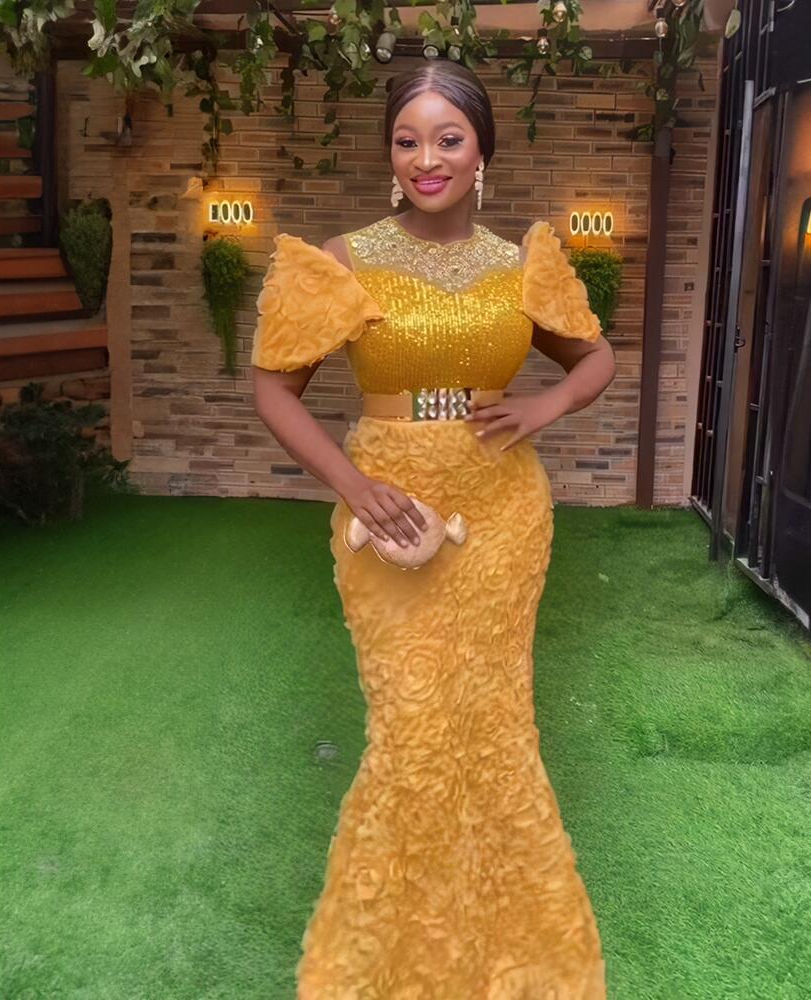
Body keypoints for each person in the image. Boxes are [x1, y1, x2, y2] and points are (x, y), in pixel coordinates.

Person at [251, 59, 616, 999]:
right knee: (412, 733)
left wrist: (542, 408)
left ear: (482, 150)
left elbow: (597, 357)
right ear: (389, 154)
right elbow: (274, 390)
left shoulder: (519, 267)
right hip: (390, 514)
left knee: (493, 725)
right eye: (407, 140)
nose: (427, 159)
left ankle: (513, 961)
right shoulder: (345, 258)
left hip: (503, 516)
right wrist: (354, 485)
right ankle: (390, 966)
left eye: (448, 139)